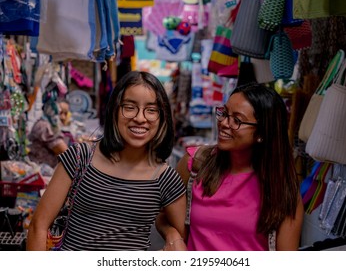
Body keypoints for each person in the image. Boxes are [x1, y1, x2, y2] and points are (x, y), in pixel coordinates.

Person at [26, 71, 186, 250]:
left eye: (151, 110)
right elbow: (38, 226)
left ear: (162, 118)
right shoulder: (80, 157)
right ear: (115, 111)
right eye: (129, 107)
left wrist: (171, 233)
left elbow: (182, 237)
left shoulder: (166, 179)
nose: (140, 118)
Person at [156, 83, 304, 251]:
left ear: (262, 133)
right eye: (224, 113)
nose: (224, 123)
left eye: (237, 120)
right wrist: (173, 236)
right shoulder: (195, 164)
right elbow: (163, 216)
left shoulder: (282, 190)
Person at [27, 98, 68, 169]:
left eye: (66, 114)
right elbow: (66, 153)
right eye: (60, 113)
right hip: (40, 170)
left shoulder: (50, 125)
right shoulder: (44, 127)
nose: (63, 117)